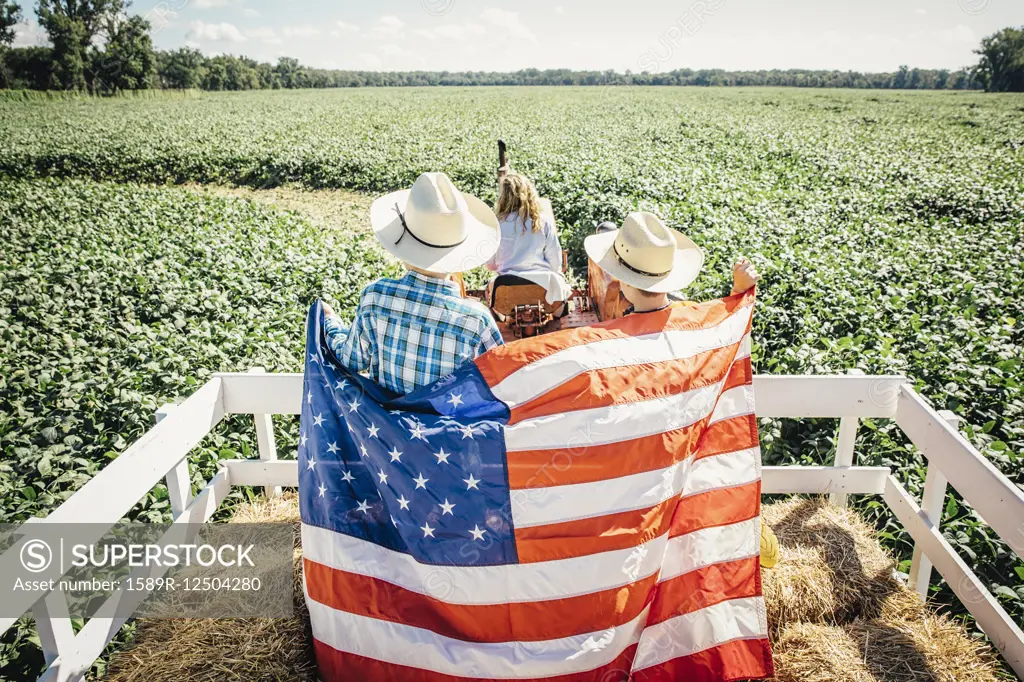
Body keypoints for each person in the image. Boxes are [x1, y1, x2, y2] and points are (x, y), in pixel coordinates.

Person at [584, 210, 779, 568]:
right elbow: (729, 337)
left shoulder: (608, 344)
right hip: (685, 476)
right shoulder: (697, 331)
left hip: (636, 489)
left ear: (623, 281)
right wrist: (740, 293)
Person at [321, 172, 503, 395]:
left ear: (403, 247)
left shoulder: (375, 298)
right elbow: (500, 384)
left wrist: (329, 323)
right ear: (458, 255)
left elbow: (351, 361)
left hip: (388, 428)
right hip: (447, 430)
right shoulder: (477, 321)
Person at [485, 172, 571, 308]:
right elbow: (555, 263)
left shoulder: (496, 225)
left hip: (506, 287)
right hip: (543, 287)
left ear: (502, 197)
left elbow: (490, 265)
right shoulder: (543, 223)